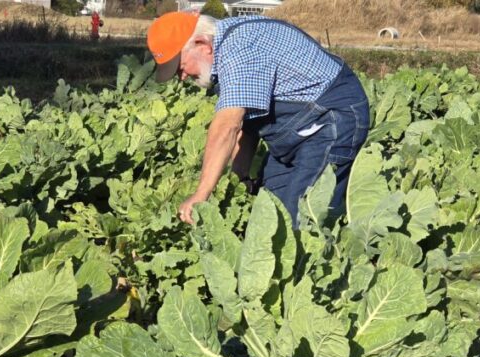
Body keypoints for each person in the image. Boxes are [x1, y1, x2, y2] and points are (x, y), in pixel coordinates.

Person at [146, 12, 370, 227]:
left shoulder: (240, 49)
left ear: (202, 45)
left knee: (300, 216)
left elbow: (228, 126)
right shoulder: (227, 51)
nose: (182, 77)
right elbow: (248, 124)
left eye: (180, 67)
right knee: (269, 211)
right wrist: (240, 175)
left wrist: (201, 193)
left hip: (332, 117)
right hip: (300, 128)